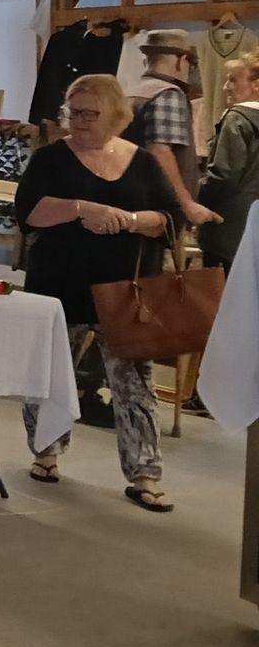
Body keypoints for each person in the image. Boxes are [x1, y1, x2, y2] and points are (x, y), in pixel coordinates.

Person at [14, 73, 184, 511]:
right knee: (51, 374)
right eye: (75, 112)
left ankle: (145, 474)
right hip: (59, 282)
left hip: (125, 288)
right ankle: (46, 452)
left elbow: (169, 218)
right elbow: (29, 212)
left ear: (116, 116)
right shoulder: (51, 159)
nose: (81, 121)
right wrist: (80, 208)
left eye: (92, 113)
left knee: (135, 384)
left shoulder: (142, 162)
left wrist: (127, 219)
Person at [126, 29, 217, 230]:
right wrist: (186, 204)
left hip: (133, 203)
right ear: (180, 59)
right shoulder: (167, 94)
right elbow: (160, 151)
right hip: (159, 209)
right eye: (190, 64)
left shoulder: (133, 91)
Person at [199, 51, 259, 269]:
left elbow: (223, 175)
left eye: (233, 80)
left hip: (230, 231)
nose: (226, 87)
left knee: (224, 298)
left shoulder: (237, 119)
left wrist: (195, 198)